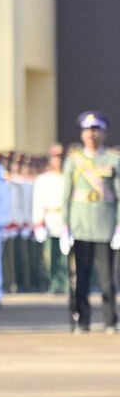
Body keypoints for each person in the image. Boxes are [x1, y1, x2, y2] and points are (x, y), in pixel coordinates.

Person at [60, 111, 120, 333]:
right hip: (80, 226)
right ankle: (81, 320)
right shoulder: (73, 161)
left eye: (96, 130)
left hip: (105, 226)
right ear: (82, 134)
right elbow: (66, 196)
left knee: (108, 280)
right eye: (87, 130)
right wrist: (65, 227)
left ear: (104, 133)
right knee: (80, 279)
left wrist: (118, 226)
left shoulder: (113, 161)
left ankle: (110, 320)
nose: (92, 134)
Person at [31, 145, 68, 294]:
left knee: (66, 256)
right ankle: (53, 282)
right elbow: (37, 202)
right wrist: (38, 223)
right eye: (55, 157)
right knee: (51, 256)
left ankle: (66, 282)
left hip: (66, 220)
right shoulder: (43, 179)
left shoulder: (68, 176)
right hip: (50, 219)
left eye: (60, 157)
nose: (58, 161)